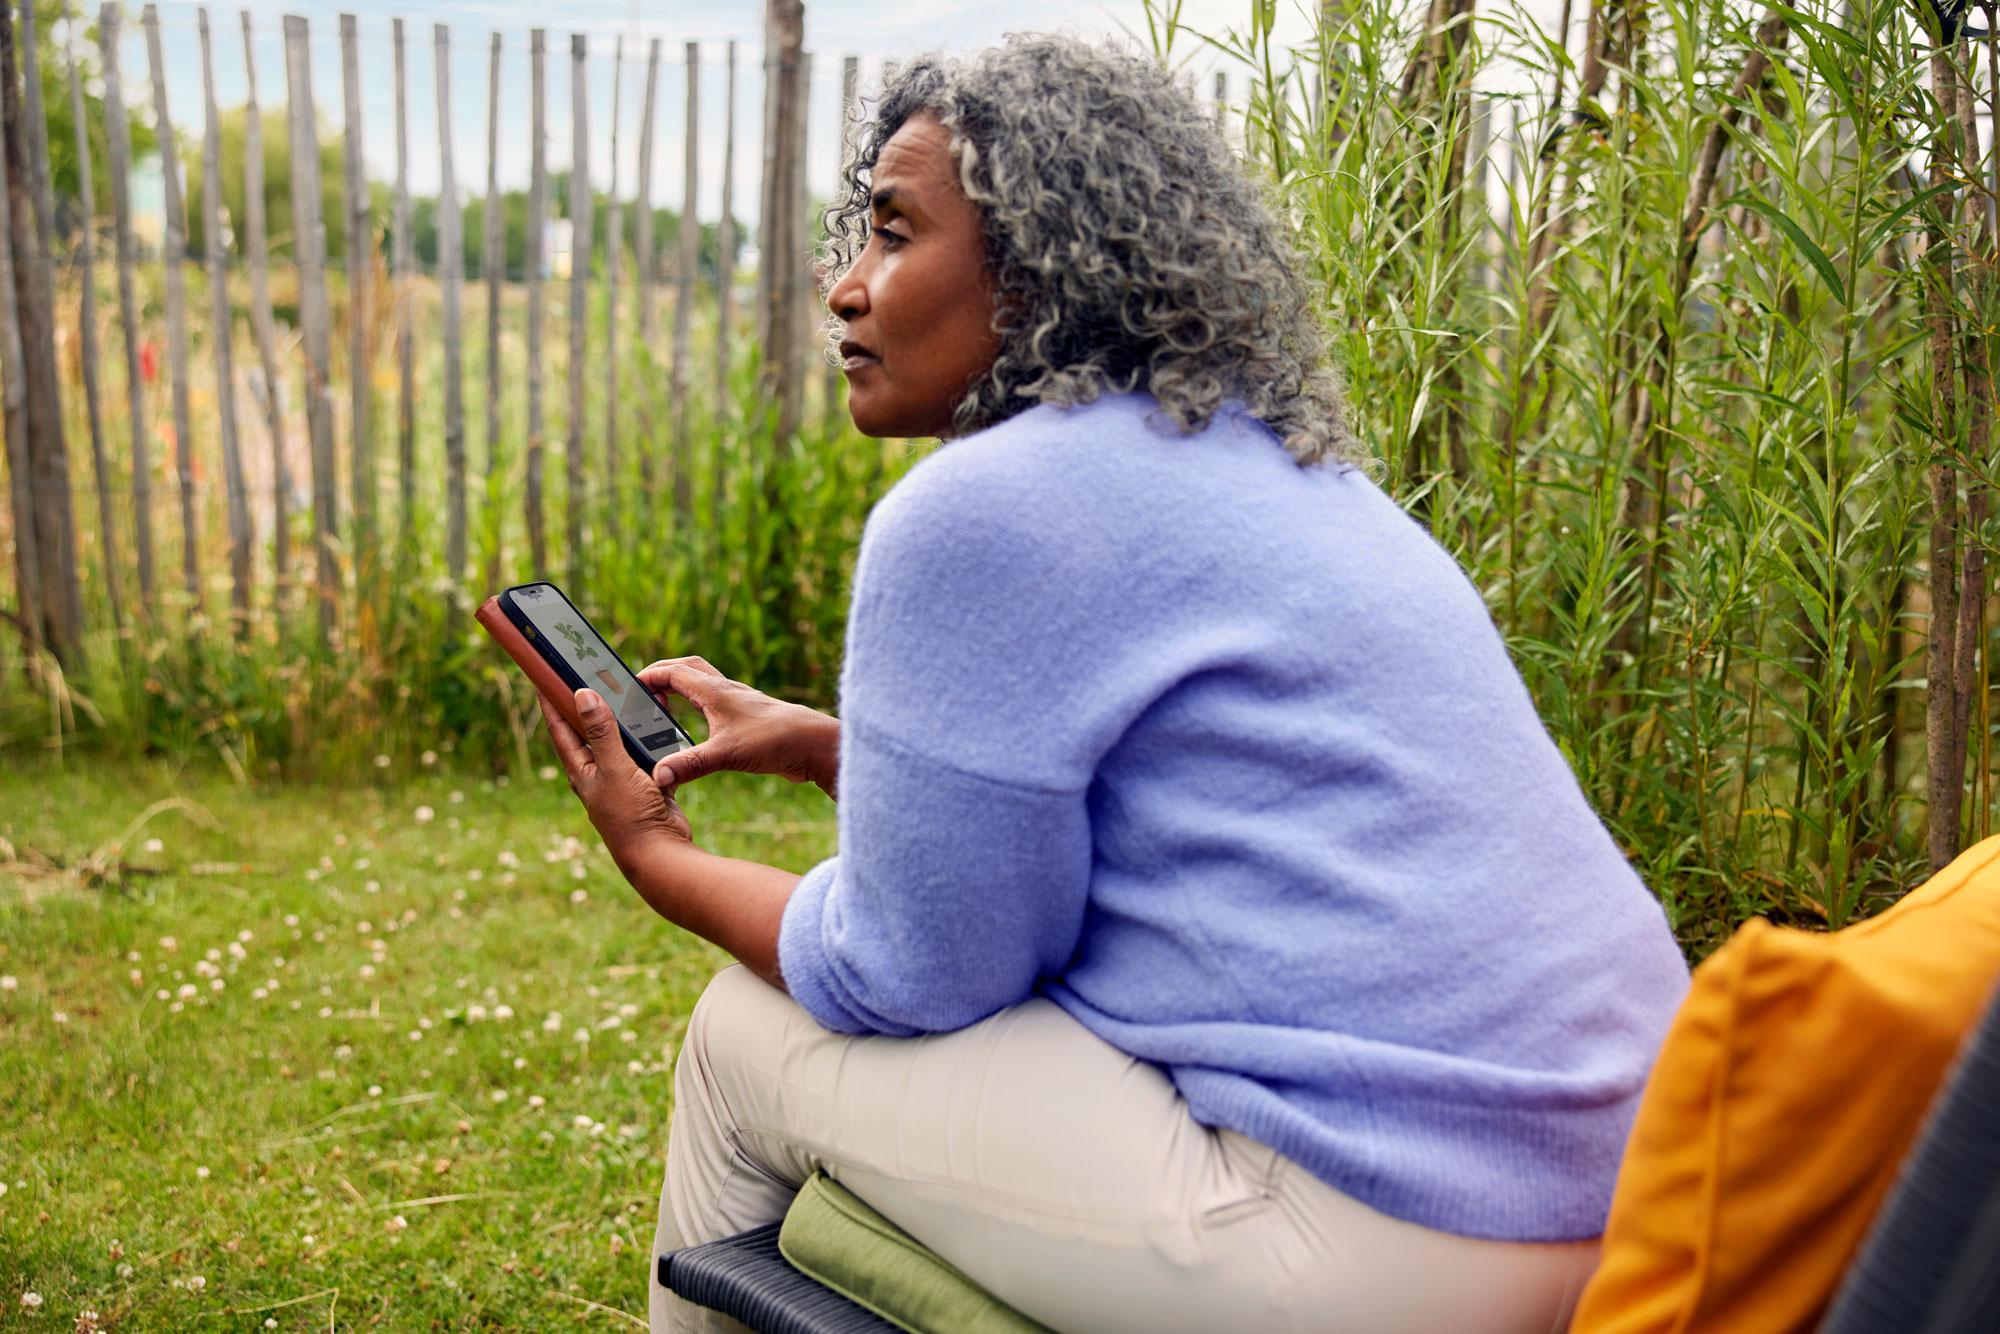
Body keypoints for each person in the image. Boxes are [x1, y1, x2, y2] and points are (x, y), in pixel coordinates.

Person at [537, 34, 1690, 1334]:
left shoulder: (979, 509)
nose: (845, 286)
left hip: (1379, 1243)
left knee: (746, 1028)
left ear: (1033, 277)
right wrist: (831, 750)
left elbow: (909, 973)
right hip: (1631, 1203)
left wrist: (656, 856)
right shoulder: (1285, 470)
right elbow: (1128, 835)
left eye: (894, 233)